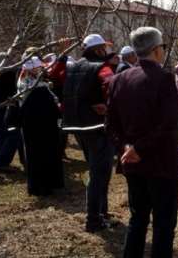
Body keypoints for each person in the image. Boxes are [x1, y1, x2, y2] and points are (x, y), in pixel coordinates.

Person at [106, 27, 178, 258]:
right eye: (163, 47)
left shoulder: (118, 79)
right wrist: (137, 148)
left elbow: (111, 125)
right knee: (163, 223)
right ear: (157, 50)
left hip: (132, 162)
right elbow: (168, 124)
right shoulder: (164, 78)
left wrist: (127, 148)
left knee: (137, 218)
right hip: (160, 163)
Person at [62, 33, 116, 233]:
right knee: (99, 174)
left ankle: (102, 213)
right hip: (97, 127)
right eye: (104, 47)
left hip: (77, 127)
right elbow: (113, 88)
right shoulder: (102, 68)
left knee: (95, 171)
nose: (107, 51)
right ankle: (94, 219)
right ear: (97, 49)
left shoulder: (73, 66)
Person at [17, 56, 64, 196]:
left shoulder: (32, 82)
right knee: (40, 156)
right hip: (40, 127)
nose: (42, 69)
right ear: (32, 69)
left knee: (39, 155)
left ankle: (43, 185)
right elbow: (45, 106)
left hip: (38, 126)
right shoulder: (31, 85)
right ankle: (42, 187)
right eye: (39, 67)